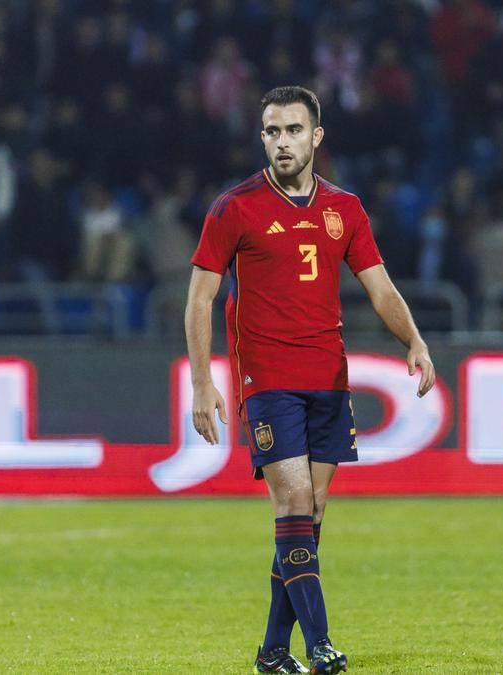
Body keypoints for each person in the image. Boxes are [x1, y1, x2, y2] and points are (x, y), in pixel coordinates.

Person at [185, 86, 435, 674]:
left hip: (329, 375)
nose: (282, 142)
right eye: (271, 132)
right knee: (293, 500)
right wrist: (203, 381)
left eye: (293, 130)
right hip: (267, 377)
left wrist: (415, 339)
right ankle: (320, 644)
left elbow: (379, 285)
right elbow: (200, 296)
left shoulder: (344, 208)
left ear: (316, 137)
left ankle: (273, 651)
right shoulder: (234, 206)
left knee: (313, 511)